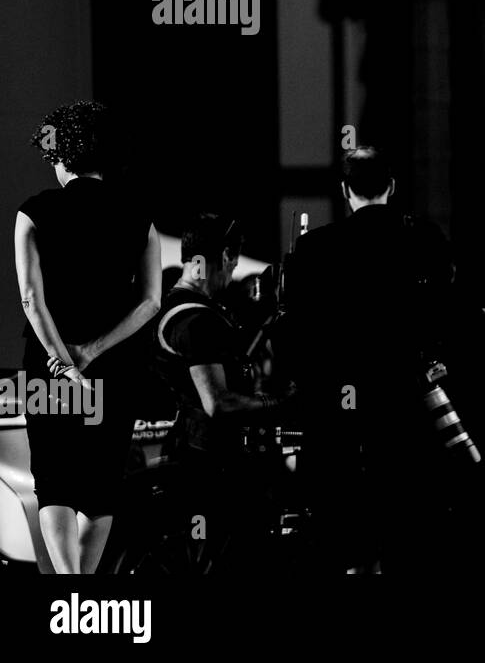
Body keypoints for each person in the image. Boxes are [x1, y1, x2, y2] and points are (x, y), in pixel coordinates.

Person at [289, 146, 454, 574]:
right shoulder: (425, 238)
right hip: (407, 407)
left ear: (345, 191)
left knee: (342, 538)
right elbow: (448, 315)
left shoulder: (314, 248)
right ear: (393, 187)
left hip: (337, 414)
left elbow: (297, 334)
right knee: (409, 533)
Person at [14, 100, 161, 574]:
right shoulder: (141, 218)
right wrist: (91, 353)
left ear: (62, 158)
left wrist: (62, 362)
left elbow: (32, 301)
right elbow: (150, 303)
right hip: (114, 367)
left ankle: (68, 584)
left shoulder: (34, 212)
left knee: (54, 482)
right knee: (100, 487)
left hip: (47, 367)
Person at [153, 213, 293, 570]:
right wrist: (281, 404)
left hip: (190, 458)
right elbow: (218, 402)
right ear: (226, 256)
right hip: (214, 472)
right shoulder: (198, 321)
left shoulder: (169, 308)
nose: (231, 274)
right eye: (231, 263)